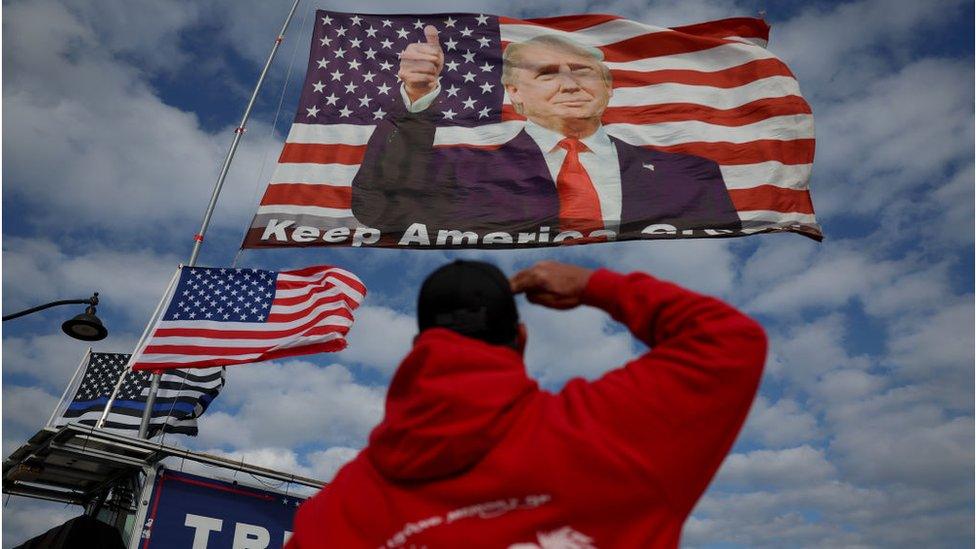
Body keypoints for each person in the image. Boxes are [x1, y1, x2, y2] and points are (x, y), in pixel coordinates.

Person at [288, 259, 766, 548]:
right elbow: (729, 340)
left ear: (420, 345)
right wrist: (592, 285)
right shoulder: (604, 433)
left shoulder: (338, 507)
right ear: (519, 339)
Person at [351, 27, 742, 239]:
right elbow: (379, 207)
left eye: (582, 70)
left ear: (609, 87)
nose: (570, 85)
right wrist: (417, 99)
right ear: (515, 93)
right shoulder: (462, 169)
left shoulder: (691, 175)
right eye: (548, 73)